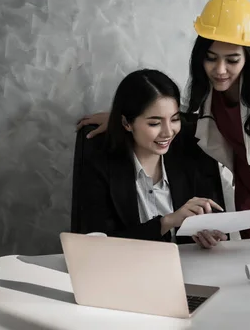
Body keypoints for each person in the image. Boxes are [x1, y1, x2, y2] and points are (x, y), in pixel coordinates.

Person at [76, 0, 250, 239]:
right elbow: (183, 119)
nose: (220, 69)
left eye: (232, 60)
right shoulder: (209, 91)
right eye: (211, 58)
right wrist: (124, 116)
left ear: (247, 58)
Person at [73, 68, 228, 248]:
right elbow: (98, 244)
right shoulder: (100, 163)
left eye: (175, 119)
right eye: (154, 123)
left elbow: (214, 216)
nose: (168, 132)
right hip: (128, 269)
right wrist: (166, 222)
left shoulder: (193, 147)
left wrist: (208, 232)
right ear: (126, 123)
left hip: (191, 267)